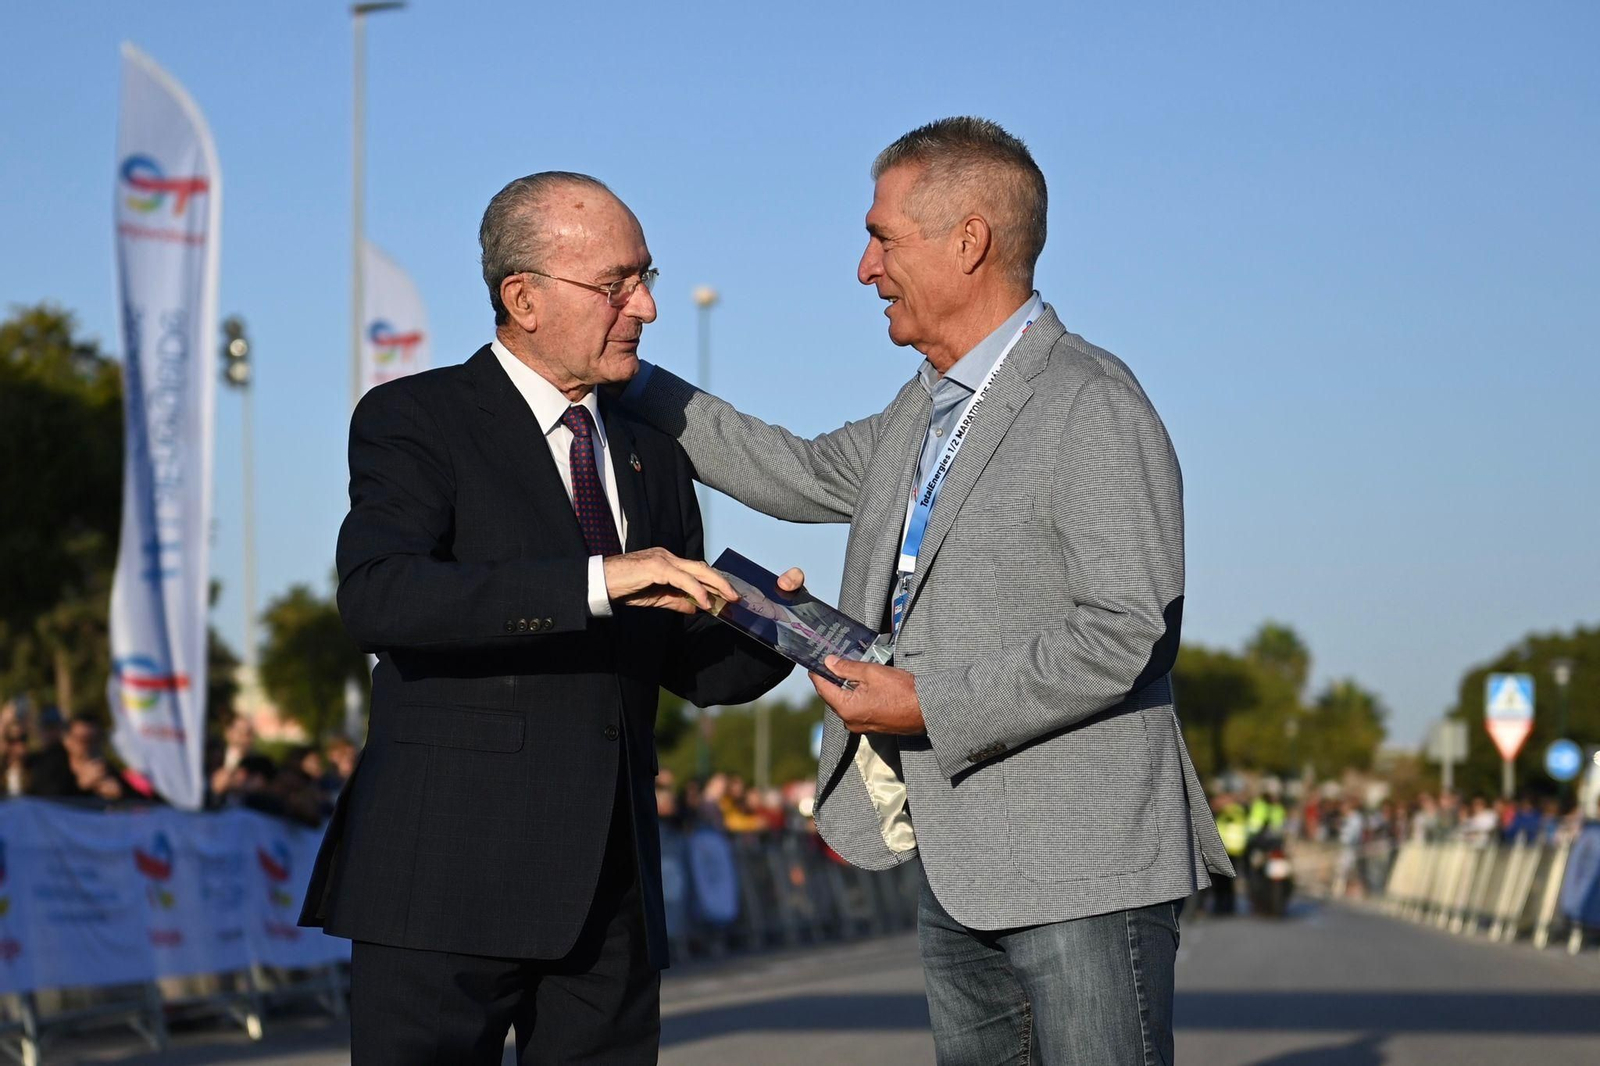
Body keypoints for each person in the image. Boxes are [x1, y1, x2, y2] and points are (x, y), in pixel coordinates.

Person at [620, 117, 1231, 1064]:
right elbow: (793, 470)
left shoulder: (1093, 402)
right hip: (960, 865)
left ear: (970, 240)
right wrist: (627, 376)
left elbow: (1128, 632)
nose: (866, 268)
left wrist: (927, 703)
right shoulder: (925, 405)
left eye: (883, 238)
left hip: (1081, 870)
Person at [298, 171, 792, 1065]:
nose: (644, 305)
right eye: (616, 284)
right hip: (445, 883)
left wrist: (782, 626)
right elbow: (381, 595)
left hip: (611, 898)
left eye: (645, 277)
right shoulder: (418, 419)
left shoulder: (651, 456)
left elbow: (695, 669)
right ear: (522, 297)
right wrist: (596, 580)